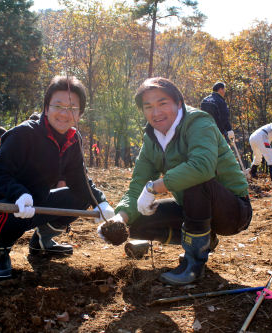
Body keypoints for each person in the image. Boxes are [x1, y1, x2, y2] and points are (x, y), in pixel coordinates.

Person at [100, 77, 251, 285]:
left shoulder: (199, 122)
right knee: (134, 223)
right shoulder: (151, 138)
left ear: (178, 103)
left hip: (232, 211)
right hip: (192, 210)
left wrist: (154, 188)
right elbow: (137, 184)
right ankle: (205, 241)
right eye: (148, 107)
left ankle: (193, 264)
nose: (156, 113)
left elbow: (201, 167)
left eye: (163, 103)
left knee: (196, 180)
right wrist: (120, 218)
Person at [0, 76, 114, 279]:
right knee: (12, 214)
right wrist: (19, 194)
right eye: (58, 106)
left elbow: (80, 180)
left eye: (72, 108)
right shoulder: (23, 134)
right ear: (46, 107)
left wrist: (101, 202)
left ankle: (43, 240)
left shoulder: (73, 139)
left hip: (38, 201)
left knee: (81, 197)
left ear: (80, 113)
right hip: (1, 205)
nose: (64, 113)